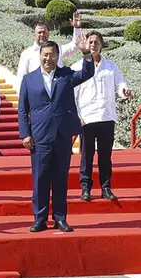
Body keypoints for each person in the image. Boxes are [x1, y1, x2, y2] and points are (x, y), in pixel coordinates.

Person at [18, 35, 93, 233]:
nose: (48, 58)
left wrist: (86, 53)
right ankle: (39, 218)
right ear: (39, 55)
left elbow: (87, 73)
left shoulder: (66, 75)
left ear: (57, 57)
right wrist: (25, 134)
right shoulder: (29, 79)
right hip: (39, 137)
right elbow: (22, 109)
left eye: (52, 55)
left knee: (61, 179)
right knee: (40, 179)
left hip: (62, 135)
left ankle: (60, 218)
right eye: (45, 55)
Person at [72, 30, 131, 201]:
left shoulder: (111, 66)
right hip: (87, 117)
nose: (93, 44)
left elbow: (120, 83)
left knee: (105, 155)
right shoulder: (77, 66)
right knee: (87, 155)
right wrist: (77, 116)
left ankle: (106, 187)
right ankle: (85, 188)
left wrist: (124, 91)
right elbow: (73, 94)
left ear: (101, 44)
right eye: (90, 42)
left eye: (96, 42)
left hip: (106, 116)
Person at [15, 15, 83, 92]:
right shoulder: (27, 54)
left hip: (56, 92)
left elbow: (74, 45)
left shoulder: (58, 49)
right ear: (34, 35)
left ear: (48, 34)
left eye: (44, 32)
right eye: (39, 32)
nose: (42, 35)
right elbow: (21, 77)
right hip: (36, 93)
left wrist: (77, 28)